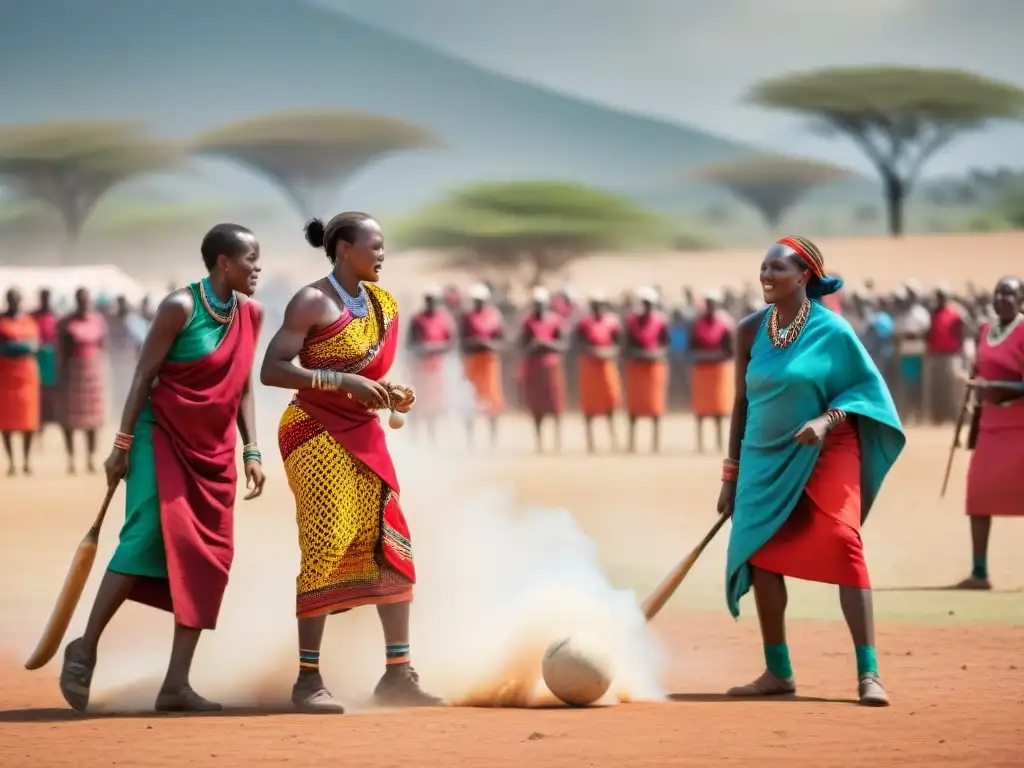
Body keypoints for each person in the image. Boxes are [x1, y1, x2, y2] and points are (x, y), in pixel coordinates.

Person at [59, 224, 266, 713]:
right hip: (161, 436)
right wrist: (121, 444)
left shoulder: (251, 314)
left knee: (208, 558)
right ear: (223, 263)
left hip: (214, 452)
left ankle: (176, 684)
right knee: (145, 532)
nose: (258, 267)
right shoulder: (181, 307)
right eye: (251, 258)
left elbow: (242, 387)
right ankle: (84, 648)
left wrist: (252, 449)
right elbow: (143, 374)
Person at [260, 212, 442, 713]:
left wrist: (390, 394)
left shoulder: (384, 304)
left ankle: (399, 675)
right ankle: (307, 680)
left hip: (364, 434)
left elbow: (371, 372)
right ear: (343, 249)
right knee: (328, 540)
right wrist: (340, 383)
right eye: (374, 246)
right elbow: (272, 369)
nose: (382, 254)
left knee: (390, 540)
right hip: (314, 433)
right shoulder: (312, 300)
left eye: (384, 247)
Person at [719, 235, 904, 707]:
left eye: (777, 268)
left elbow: (864, 394)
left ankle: (869, 673)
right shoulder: (748, 330)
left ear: (804, 276)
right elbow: (740, 404)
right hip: (764, 454)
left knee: (844, 542)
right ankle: (778, 672)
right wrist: (731, 474)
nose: (766, 275)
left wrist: (825, 420)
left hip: (828, 448)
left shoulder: (834, 331)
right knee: (759, 551)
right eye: (762, 267)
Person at [957, 276, 1024, 590]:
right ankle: (979, 572)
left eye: (1009, 293)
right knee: (978, 496)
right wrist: (978, 380)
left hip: (1020, 426)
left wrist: (995, 387)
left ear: (1021, 299)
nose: (1002, 298)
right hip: (990, 427)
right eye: (998, 292)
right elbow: (983, 371)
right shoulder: (985, 330)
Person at [57, 288, 109, 474]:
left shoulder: (97, 320)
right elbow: (61, 350)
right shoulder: (65, 322)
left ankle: (91, 458)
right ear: (76, 300)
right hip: (72, 373)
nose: (83, 302)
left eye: (85, 299)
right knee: (69, 419)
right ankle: (71, 458)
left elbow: (103, 346)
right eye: (80, 299)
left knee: (92, 420)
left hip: (93, 373)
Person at [518, 286, 567, 454]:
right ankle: (539, 442)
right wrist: (533, 346)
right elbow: (522, 345)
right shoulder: (527, 322)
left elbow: (562, 345)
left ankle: (557, 442)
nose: (539, 306)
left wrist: (546, 344)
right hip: (534, 367)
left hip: (551, 367)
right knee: (537, 406)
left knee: (555, 404)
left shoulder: (555, 321)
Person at [574, 292, 622, 453]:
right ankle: (590, 442)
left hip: (606, 365)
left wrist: (608, 352)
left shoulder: (613, 322)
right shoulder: (584, 323)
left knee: (610, 400)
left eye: (600, 304)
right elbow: (578, 344)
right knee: (590, 403)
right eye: (595, 305)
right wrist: (592, 350)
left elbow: (619, 344)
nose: (598, 308)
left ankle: (613, 438)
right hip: (589, 366)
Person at [624, 286, 670, 453]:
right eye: (644, 303)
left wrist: (656, 353)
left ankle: (655, 444)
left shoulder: (661, 322)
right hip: (636, 366)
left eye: (649, 303)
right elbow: (626, 346)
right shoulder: (631, 322)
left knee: (655, 406)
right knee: (635, 405)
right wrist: (639, 353)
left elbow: (666, 345)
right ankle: (631, 443)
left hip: (654, 366)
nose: (647, 306)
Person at [406, 286, 455, 445]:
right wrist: (422, 349)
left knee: (434, 404)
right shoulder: (417, 319)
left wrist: (437, 347)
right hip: (419, 368)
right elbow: (410, 344)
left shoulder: (444, 319)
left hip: (436, 368)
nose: (431, 303)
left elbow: (450, 343)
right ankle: (414, 437)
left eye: (434, 300)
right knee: (416, 401)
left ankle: (431, 436)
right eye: (429, 300)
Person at [0, 288, 41, 475]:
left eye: (17, 299)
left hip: (27, 376)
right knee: (6, 421)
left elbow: (35, 345)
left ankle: (26, 461)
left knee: (28, 421)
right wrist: (20, 347)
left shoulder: (29, 321)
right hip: (6, 376)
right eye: (11, 299)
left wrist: (19, 347)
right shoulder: (2, 321)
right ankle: (11, 462)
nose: (14, 302)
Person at [459, 283, 505, 448]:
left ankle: (493, 441)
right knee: (470, 402)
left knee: (492, 402)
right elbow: (462, 342)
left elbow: (502, 340)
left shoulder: (495, 316)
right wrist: (475, 343)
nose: (479, 303)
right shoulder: (467, 318)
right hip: (473, 362)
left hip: (490, 363)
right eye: (476, 300)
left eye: (481, 300)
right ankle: (470, 441)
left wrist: (489, 344)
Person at [688, 291, 734, 453]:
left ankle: (719, 442)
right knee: (701, 408)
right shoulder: (696, 324)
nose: (710, 306)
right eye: (708, 303)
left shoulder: (725, 323)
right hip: (701, 369)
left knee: (718, 407)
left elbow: (730, 350)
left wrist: (715, 356)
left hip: (719, 369)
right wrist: (703, 356)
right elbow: (691, 347)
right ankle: (700, 443)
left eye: (713, 303)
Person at [923, 285, 967, 425]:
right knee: (938, 387)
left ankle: (955, 416)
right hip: (937, 355)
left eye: (942, 296)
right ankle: (938, 416)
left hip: (951, 355)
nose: (940, 299)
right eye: (938, 296)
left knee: (953, 387)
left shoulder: (955, 313)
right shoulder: (934, 314)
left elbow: (964, 331)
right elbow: (930, 333)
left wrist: (961, 349)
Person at [31, 288, 60, 438]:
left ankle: (48, 423)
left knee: (50, 395)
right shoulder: (33, 316)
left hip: (51, 362)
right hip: (36, 360)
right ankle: (38, 426)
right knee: (36, 394)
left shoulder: (55, 317)